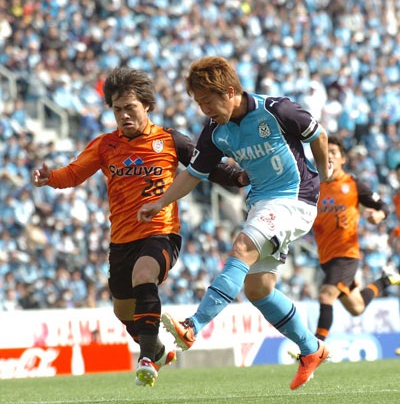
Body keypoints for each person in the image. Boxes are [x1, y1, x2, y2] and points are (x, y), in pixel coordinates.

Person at [33, 67, 248, 387]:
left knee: (144, 276)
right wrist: (51, 177)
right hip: (121, 240)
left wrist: (239, 178)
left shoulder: (170, 139)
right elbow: (75, 173)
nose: (123, 115)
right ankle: (157, 349)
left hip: (161, 233)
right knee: (123, 310)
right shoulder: (105, 145)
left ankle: (147, 357)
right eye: (117, 110)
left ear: (146, 105)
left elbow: (207, 166)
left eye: (130, 107)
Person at [138, 56, 332, 390]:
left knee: (242, 248)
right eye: (198, 103)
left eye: (208, 101)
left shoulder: (276, 110)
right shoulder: (215, 133)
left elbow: (318, 134)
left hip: (294, 198)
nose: (204, 110)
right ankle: (311, 349)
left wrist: (325, 173)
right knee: (258, 289)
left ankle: (193, 326)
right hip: (262, 203)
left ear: (229, 92)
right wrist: (160, 203)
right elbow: (193, 175)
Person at [312, 136, 400, 341]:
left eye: (334, 152)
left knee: (326, 295)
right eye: (326, 152)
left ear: (343, 159)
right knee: (357, 307)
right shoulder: (314, 186)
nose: (329, 155)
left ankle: (313, 352)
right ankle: (387, 280)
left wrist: (379, 215)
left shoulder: (353, 184)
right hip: (325, 256)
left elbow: (383, 206)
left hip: (346, 254)